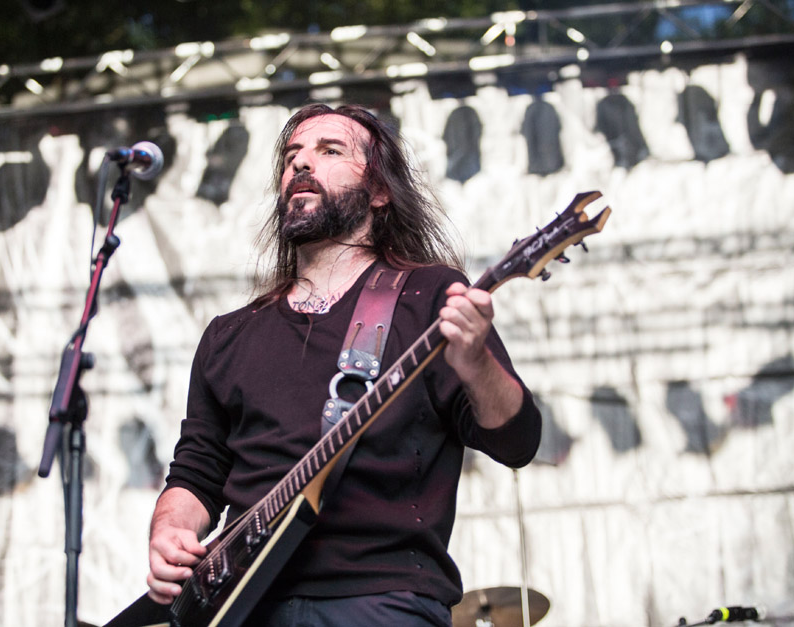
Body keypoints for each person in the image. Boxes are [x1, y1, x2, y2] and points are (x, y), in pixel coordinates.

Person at [145, 103, 542, 626]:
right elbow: (197, 472)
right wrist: (169, 530)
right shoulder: (229, 335)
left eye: (330, 151)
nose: (301, 165)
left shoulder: (429, 297)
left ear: (380, 192)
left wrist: (474, 362)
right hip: (239, 607)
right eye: (292, 156)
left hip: (380, 599)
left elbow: (517, 442)